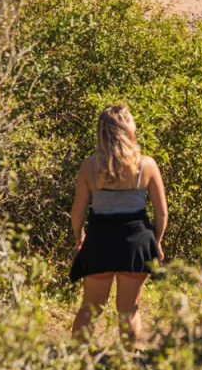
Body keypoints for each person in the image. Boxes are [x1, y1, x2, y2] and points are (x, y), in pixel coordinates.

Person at [70, 102, 168, 342]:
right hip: (136, 243)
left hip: (100, 241)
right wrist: (157, 241)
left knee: (90, 308)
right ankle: (126, 369)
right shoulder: (147, 165)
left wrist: (78, 237)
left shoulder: (90, 166)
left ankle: (78, 364)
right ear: (129, 130)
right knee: (129, 312)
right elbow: (162, 212)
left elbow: (78, 213)